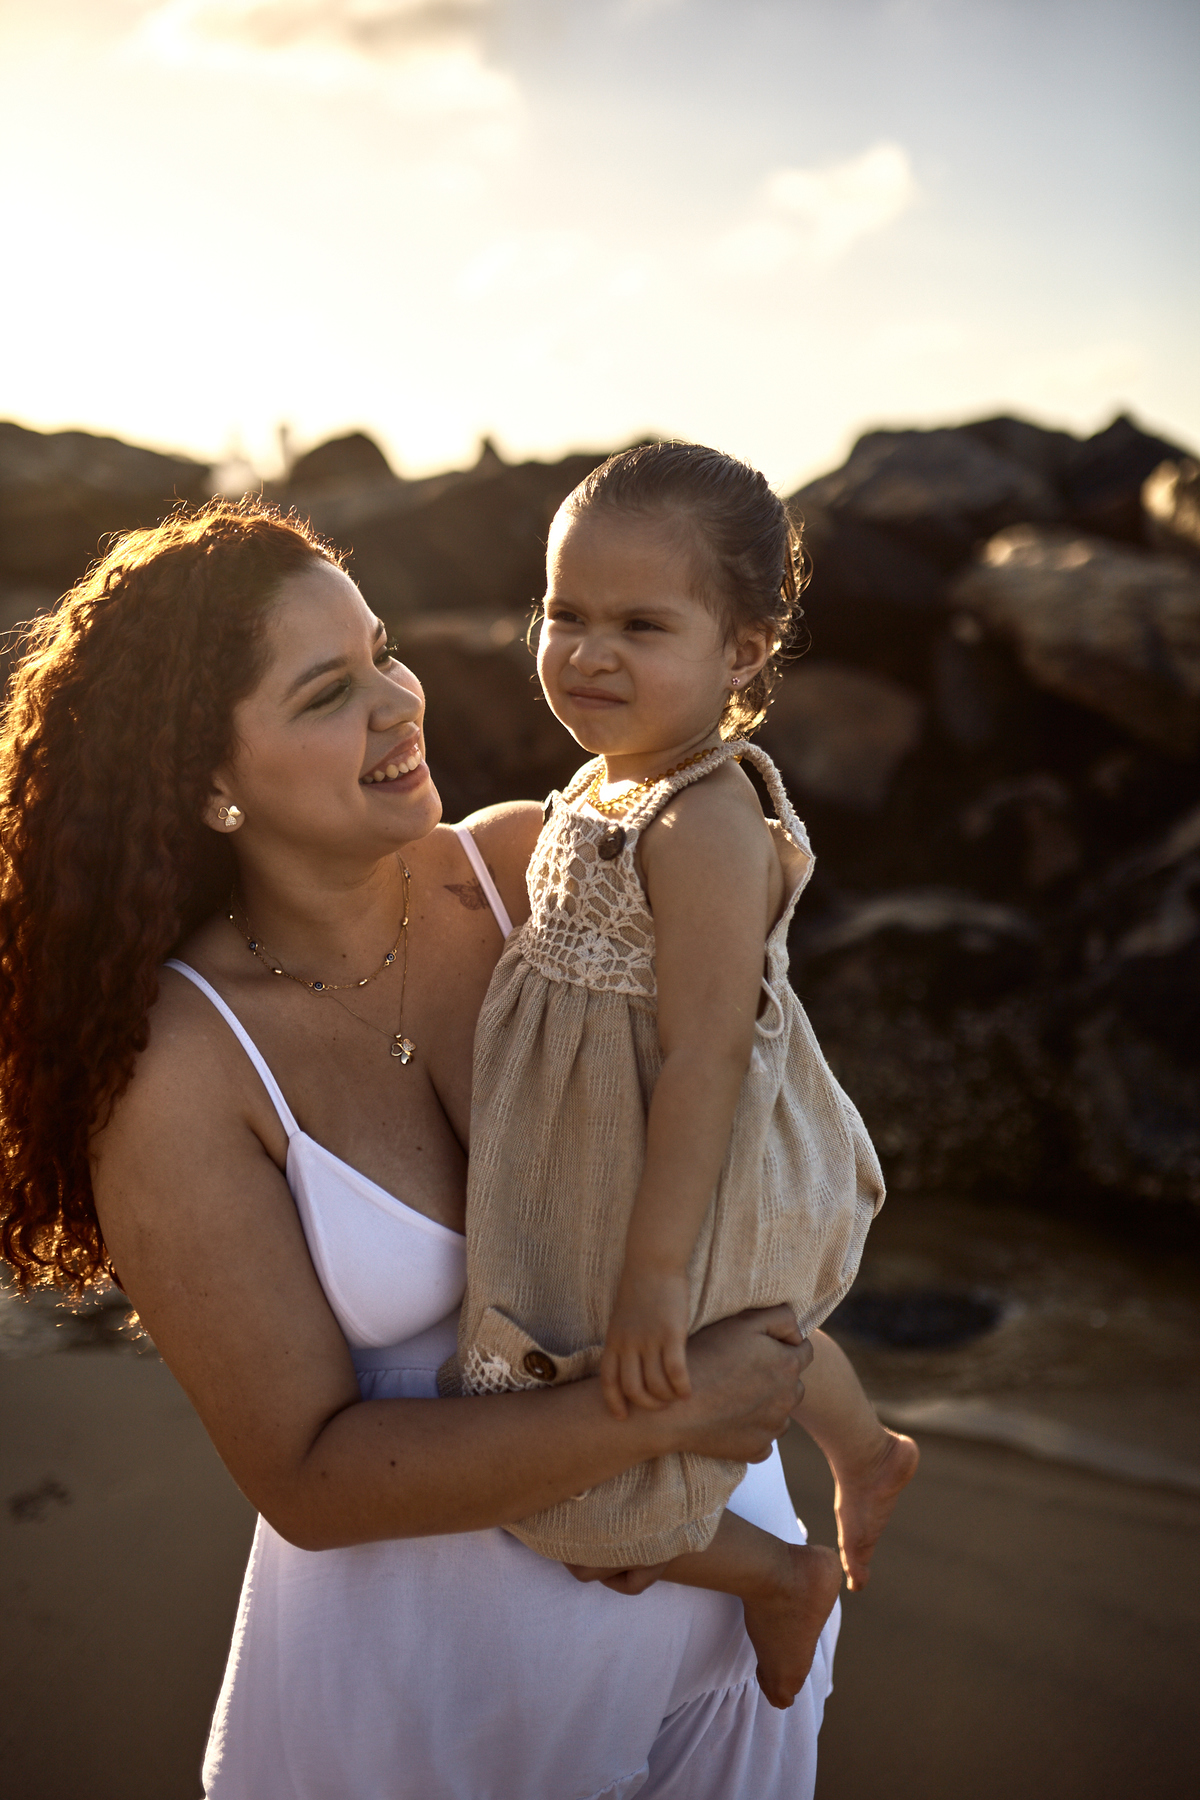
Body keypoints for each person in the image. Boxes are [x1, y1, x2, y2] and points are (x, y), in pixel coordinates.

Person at [0, 498, 836, 1799]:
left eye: (383, 651)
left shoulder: (543, 874)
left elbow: (766, 1132)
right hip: (432, 1719)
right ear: (210, 783)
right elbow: (310, 1479)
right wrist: (677, 1405)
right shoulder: (183, 1065)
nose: (400, 702)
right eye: (329, 691)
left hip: (729, 1658)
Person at [449, 442, 918, 1708]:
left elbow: (710, 1051)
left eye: (641, 626)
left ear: (744, 652)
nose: (588, 653)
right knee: (752, 1322)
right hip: (594, 1144)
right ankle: (867, 1449)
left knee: (590, 1477)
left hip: (665, 1156)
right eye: (566, 615)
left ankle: (783, 1574)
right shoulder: (608, 782)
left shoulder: (702, 817)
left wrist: (653, 1272)